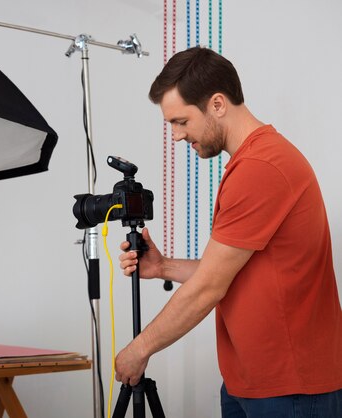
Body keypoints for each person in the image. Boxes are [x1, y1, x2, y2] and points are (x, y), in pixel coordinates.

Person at [116, 46, 341, 417]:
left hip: (290, 388)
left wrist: (139, 349)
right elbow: (228, 270)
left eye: (181, 121)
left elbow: (209, 287)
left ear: (217, 104)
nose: (175, 136)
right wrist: (163, 267)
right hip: (251, 382)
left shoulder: (261, 167)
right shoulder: (253, 162)